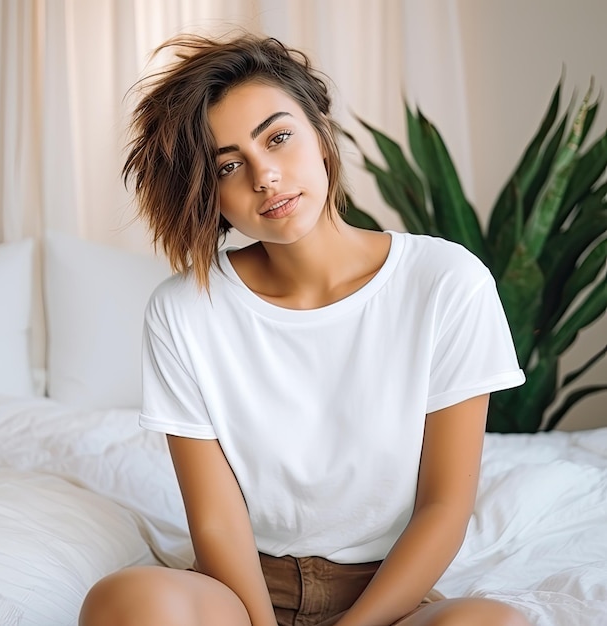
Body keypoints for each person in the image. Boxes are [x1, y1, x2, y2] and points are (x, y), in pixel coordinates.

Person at [79, 32, 530, 626]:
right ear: (210, 195)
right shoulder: (185, 309)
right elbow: (216, 521)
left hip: (385, 594)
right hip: (243, 592)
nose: (264, 176)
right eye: (229, 165)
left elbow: (445, 505)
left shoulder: (445, 281)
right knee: (125, 602)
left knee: (492, 624)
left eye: (279, 137)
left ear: (320, 135)